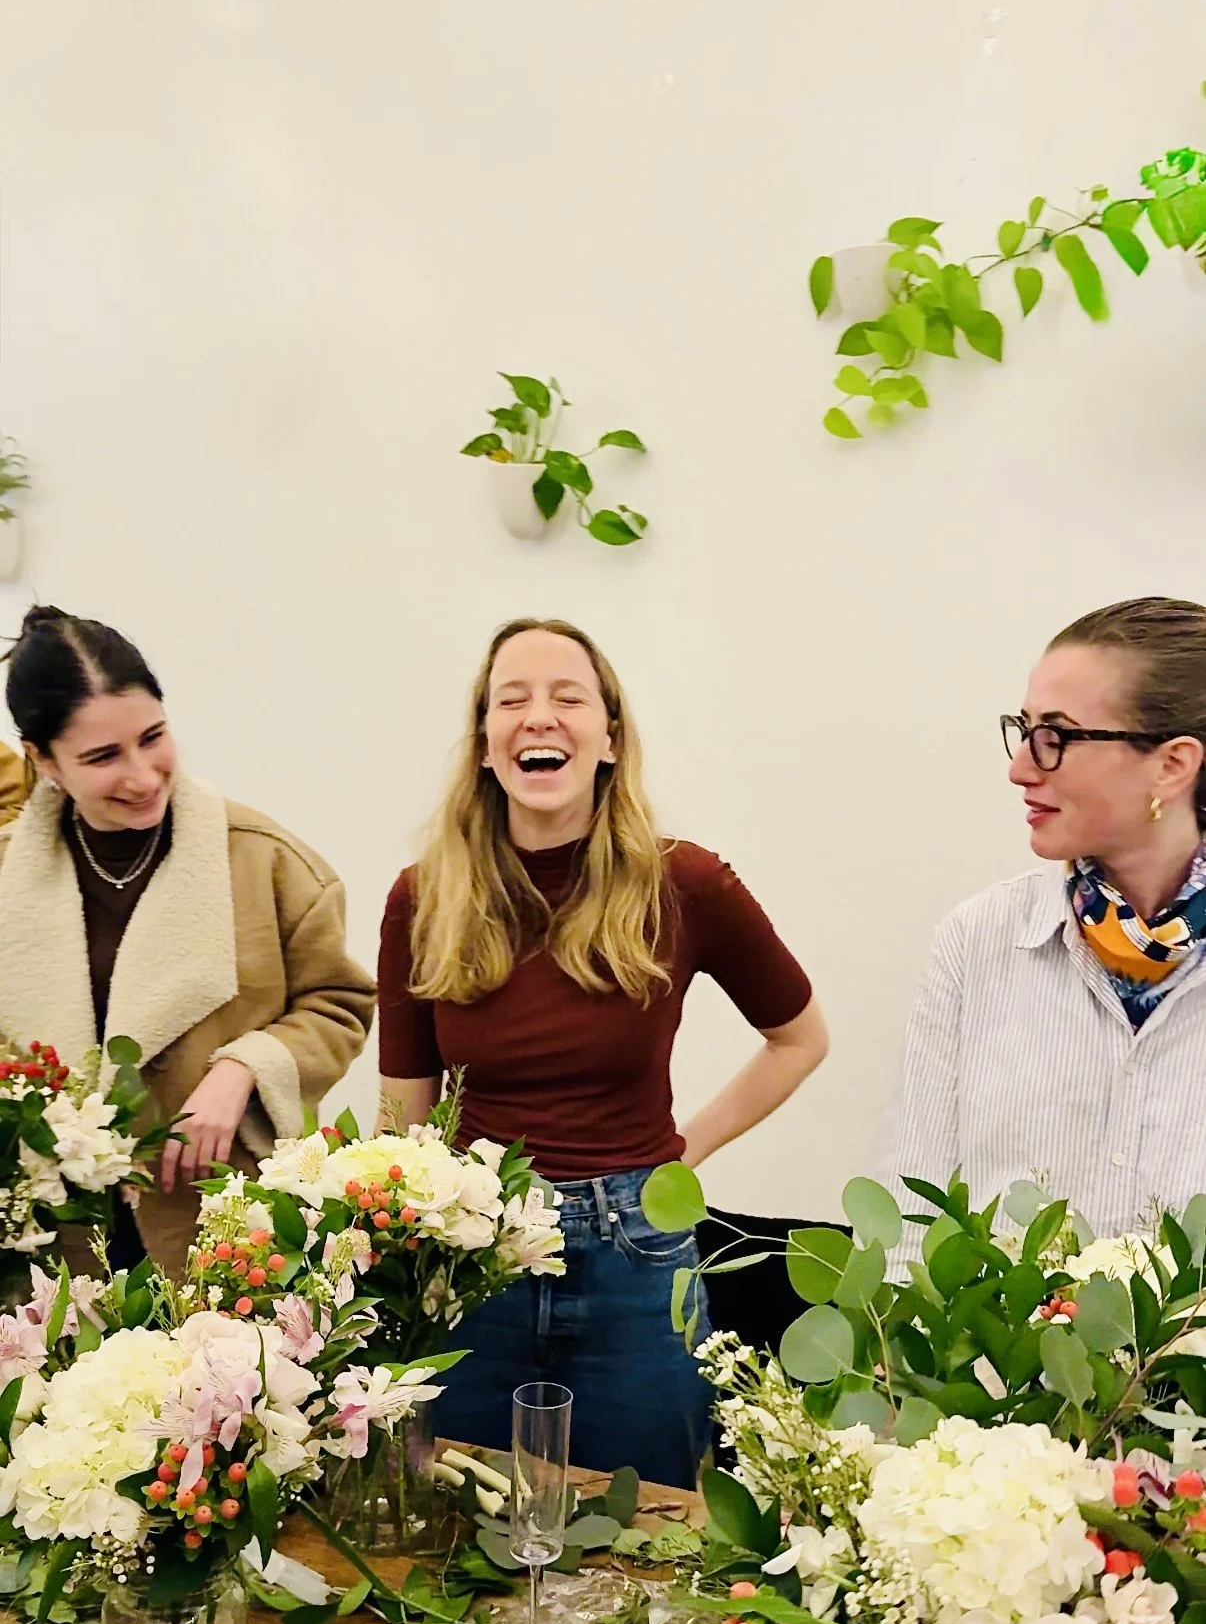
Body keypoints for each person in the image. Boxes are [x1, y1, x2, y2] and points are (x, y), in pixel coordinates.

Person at [377, 616, 825, 1487]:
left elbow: (799, 1039)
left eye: (567, 697)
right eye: (512, 699)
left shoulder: (685, 883)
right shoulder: (422, 898)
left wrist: (681, 1157)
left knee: (647, 1536)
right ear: (482, 746)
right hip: (473, 1261)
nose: (539, 717)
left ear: (609, 738)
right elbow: (402, 1114)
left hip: (639, 1261)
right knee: (466, 1532)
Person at [0, 605, 375, 1272]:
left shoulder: (266, 861)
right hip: (49, 1244)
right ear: (42, 759)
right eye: (103, 756)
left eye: (153, 736)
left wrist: (245, 1068)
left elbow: (339, 1003)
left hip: (225, 1232)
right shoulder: (7, 876)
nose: (142, 775)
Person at [875, 595, 1206, 1247]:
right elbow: (907, 1215)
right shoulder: (980, 940)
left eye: (1057, 737)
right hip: (995, 1353)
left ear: (1171, 766)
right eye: (1024, 730)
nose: (1020, 768)